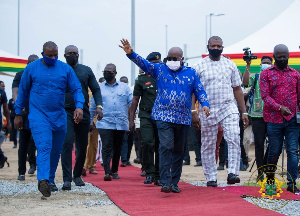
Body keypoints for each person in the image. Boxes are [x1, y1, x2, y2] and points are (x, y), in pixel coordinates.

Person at [120, 39, 210, 193]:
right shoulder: (160, 69)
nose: (172, 61)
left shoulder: (191, 73)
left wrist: (205, 104)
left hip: (182, 117)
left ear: (182, 59)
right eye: (170, 58)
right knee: (166, 145)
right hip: (163, 116)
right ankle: (164, 181)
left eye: (175, 59)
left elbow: (199, 90)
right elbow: (144, 64)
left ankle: (174, 182)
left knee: (179, 150)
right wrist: (131, 54)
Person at [14, 41, 84, 197]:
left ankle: (50, 180)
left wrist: (79, 106)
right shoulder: (31, 69)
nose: (53, 58)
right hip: (38, 115)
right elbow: (23, 92)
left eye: (55, 55)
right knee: (44, 145)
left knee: (56, 150)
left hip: (59, 116)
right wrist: (18, 113)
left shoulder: (65, 69)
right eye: (49, 55)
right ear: (42, 54)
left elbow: (77, 89)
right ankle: (43, 179)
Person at [192, 36, 249, 187]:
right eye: (213, 46)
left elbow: (237, 89)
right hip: (207, 110)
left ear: (223, 47)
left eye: (219, 46)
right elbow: (192, 92)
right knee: (208, 144)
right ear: (208, 46)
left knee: (234, 137)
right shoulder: (199, 66)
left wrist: (244, 112)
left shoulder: (230, 65)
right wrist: (193, 112)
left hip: (228, 107)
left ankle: (233, 173)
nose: (216, 48)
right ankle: (211, 177)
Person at [61, 45, 103, 191]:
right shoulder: (60, 69)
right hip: (65, 111)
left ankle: (77, 174)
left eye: (75, 53)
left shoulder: (86, 70)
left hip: (83, 112)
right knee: (66, 143)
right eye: (69, 53)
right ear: (64, 55)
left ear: (78, 55)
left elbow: (96, 89)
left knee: (82, 145)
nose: (72, 55)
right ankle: (66, 179)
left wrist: (99, 106)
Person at [260, 44, 300, 194]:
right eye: (279, 56)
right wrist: (279, 107)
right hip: (273, 119)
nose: (282, 59)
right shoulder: (266, 74)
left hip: (292, 121)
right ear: (274, 56)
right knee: (274, 151)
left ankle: (292, 183)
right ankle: (270, 181)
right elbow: (265, 96)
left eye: (285, 56)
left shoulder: (295, 74)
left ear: (288, 56)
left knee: (292, 151)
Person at [89, 63, 132, 181]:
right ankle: (107, 172)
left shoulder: (125, 88)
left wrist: (132, 119)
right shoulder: (99, 88)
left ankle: (115, 170)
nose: (107, 73)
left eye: (110, 72)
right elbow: (93, 105)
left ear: (115, 73)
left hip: (121, 123)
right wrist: (90, 121)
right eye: (105, 71)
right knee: (107, 146)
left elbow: (132, 103)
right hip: (104, 122)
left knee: (117, 147)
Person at [129, 52, 162, 185]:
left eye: (158, 64)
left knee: (161, 145)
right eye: (153, 63)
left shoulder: (164, 77)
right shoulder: (141, 79)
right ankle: (149, 172)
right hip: (146, 115)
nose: (156, 66)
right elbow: (135, 100)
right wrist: (131, 120)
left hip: (162, 116)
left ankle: (159, 174)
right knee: (147, 142)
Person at [242, 55, 273, 180]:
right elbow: (244, 83)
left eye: (268, 62)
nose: (265, 64)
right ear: (260, 65)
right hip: (257, 115)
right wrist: (248, 65)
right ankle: (260, 173)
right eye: (264, 62)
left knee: (274, 145)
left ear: (272, 64)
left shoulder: (275, 77)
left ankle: (267, 165)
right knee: (259, 145)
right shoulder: (256, 77)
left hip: (273, 116)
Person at [12, 54, 39, 181]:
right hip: (24, 114)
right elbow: (15, 92)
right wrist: (19, 107)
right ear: (27, 63)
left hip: (38, 114)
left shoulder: (40, 75)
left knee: (36, 143)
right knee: (23, 144)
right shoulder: (20, 75)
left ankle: (34, 165)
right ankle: (21, 171)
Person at [82, 77, 106, 177]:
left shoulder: (97, 90)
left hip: (96, 121)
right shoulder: (83, 89)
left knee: (94, 145)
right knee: (84, 144)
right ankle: (83, 166)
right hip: (85, 120)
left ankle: (92, 166)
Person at [0, 86, 11, 168]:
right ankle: (2, 157)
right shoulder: (2, 92)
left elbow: (6, 109)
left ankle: (2, 157)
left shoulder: (2, 92)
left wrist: (8, 122)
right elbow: (5, 109)